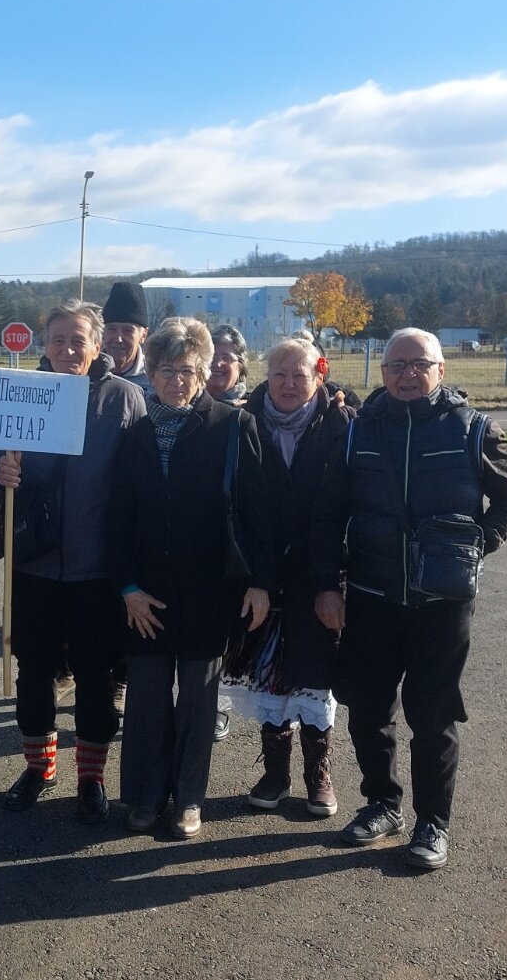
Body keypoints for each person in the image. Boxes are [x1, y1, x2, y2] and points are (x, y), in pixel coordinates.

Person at [311, 327, 507, 870]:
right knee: (367, 710)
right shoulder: (356, 430)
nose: (407, 374)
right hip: (371, 595)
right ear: (381, 373)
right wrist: (325, 584)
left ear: (441, 370)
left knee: (432, 716)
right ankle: (381, 804)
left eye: (418, 364)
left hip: (442, 603)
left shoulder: (474, 430)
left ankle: (433, 821)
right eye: (395, 366)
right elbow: (327, 514)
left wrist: (474, 546)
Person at [0, 299, 146, 823]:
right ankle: (38, 768)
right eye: (57, 340)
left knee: (97, 677)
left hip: (98, 570)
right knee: (34, 673)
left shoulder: (124, 398)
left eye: (78, 340)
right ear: (42, 345)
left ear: (98, 345)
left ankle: (91, 777)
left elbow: (143, 480)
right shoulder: (22, 394)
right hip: (34, 565)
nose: (68, 350)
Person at [111, 318, 273, 839]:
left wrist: (257, 580)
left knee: (199, 702)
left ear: (204, 372)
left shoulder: (232, 425)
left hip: (209, 590)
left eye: (187, 370)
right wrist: (128, 588)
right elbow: (118, 519)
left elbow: (256, 513)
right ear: (150, 372)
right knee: (147, 699)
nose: (175, 380)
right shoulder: (133, 434)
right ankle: (145, 795)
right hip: (147, 593)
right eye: (165, 369)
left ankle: (188, 799)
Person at [219, 331, 351, 819]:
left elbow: (343, 509)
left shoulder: (340, 423)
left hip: (320, 575)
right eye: (279, 373)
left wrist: (330, 582)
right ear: (266, 377)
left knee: (315, 675)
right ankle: (275, 773)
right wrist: (255, 576)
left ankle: (319, 774)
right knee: (269, 677)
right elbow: (240, 509)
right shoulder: (243, 423)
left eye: (300, 374)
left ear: (319, 375)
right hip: (261, 576)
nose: (289, 383)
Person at [203, 323, 252, 742]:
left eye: (228, 357)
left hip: (235, 540)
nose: (219, 363)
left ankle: (218, 706)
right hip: (191, 538)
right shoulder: (176, 406)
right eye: (211, 354)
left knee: (227, 632)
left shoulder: (254, 412)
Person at [101, 281, 152, 397]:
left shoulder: (156, 379)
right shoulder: (87, 373)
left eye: (128, 330)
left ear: (143, 335)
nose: (118, 339)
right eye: (111, 329)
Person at [205, 324, 250, 404]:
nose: (218, 363)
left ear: (240, 367)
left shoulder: (251, 408)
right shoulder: (185, 404)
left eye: (226, 358)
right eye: (212, 356)